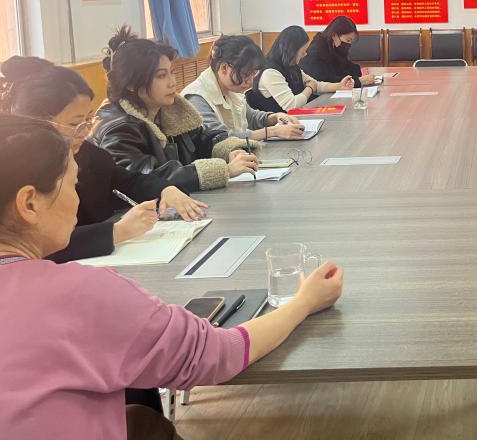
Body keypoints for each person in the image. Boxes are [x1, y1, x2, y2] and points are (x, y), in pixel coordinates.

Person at [0, 115, 344, 439]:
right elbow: (215, 355)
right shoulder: (78, 295)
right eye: (73, 184)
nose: (77, 198)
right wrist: (304, 302)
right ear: (29, 203)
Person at [0, 56, 209, 263]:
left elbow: (128, 180)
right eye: (75, 124)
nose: (86, 132)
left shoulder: (89, 154)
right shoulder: (15, 172)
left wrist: (165, 189)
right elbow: (35, 244)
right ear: (38, 122)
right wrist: (116, 231)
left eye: (89, 120)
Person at [92, 26, 259, 192]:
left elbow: (202, 139)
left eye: (172, 72)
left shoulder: (168, 111)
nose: (172, 82)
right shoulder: (118, 129)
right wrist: (225, 170)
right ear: (131, 84)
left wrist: (229, 152)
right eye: (161, 76)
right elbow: (145, 181)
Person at [183, 35, 304, 142]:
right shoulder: (197, 98)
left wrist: (276, 117)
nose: (250, 82)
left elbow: (250, 117)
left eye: (254, 74)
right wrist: (272, 132)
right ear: (224, 68)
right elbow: (220, 138)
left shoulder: (231, 88)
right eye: (246, 74)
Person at [247, 25, 354, 114]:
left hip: (294, 121)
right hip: (279, 126)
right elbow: (292, 106)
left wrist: (340, 86)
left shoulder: (291, 66)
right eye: (303, 50)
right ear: (292, 50)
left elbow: (315, 84)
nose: (305, 54)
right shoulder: (270, 72)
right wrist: (309, 89)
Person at [300, 15, 363, 87]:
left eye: (351, 41)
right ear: (334, 35)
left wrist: (358, 73)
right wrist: (358, 81)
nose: (349, 44)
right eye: (348, 40)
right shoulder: (317, 51)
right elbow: (327, 80)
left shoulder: (335, 48)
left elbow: (345, 68)